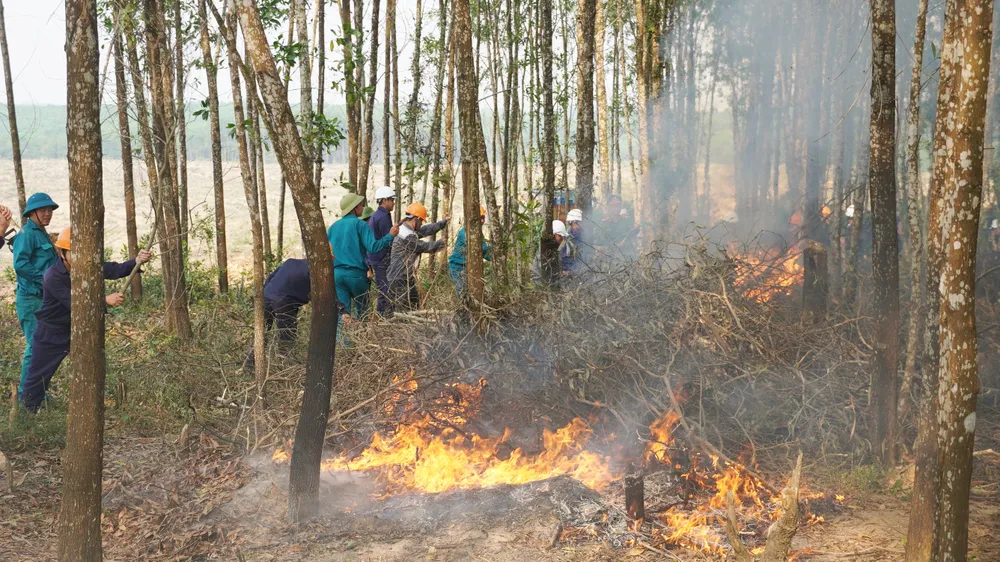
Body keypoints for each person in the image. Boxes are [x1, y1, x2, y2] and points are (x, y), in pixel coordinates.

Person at [22, 228, 151, 412]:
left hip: (77, 330)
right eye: (73, 252)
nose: (79, 256)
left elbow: (114, 269)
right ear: (62, 253)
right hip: (51, 332)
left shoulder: (87, 265)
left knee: (89, 369)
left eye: (81, 251)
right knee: (38, 377)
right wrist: (105, 300)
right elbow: (75, 303)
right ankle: (27, 414)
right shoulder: (52, 276)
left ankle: (88, 408)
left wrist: (137, 261)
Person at [13, 193, 60, 402]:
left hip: (43, 299)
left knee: (44, 348)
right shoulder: (27, 234)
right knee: (35, 347)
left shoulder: (41, 232)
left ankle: (38, 393)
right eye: (42, 210)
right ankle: (26, 397)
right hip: (31, 299)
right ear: (31, 213)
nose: (47, 213)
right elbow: (20, 264)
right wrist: (45, 280)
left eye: (49, 210)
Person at [329, 192, 398, 317]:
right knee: (362, 313)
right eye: (360, 205)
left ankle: (343, 337)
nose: (362, 207)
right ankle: (360, 335)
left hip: (337, 275)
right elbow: (373, 247)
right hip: (356, 276)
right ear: (354, 208)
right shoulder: (360, 225)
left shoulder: (333, 227)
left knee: (343, 315)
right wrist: (390, 235)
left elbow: (328, 252)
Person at [386, 203, 448, 313]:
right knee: (402, 313)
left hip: (407, 279)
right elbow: (423, 246)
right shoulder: (405, 235)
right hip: (398, 279)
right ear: (416, 219)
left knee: (414, 306)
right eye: (421, 221)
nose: (421, 224)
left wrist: (441, 224)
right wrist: (439, 243)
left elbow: (424, 230)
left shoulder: (407, 229)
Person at [448, 205, 492, 297]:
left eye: (484, 218)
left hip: (467, 268)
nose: (483, 221)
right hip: (457, 268)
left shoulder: (478, 233)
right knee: (463, 294)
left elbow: (483, 253)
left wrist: (494, 257)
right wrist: (493, 248)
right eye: (480, 218)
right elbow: (479, 247)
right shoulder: (465, 232)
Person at [366, 186, 397, 315]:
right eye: (391, 200)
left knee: (383, 289)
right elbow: (388, 239)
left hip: (376, 258)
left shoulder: (377, 215)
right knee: (385, 290)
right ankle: (383, 316)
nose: (393, 203)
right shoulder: (383, 217)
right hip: (381, 259)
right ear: (384, 200)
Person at [532, 220, 577, 286]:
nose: (562, 239)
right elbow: (545, 270)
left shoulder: (555, 247)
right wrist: (559, 274)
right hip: (539, 283)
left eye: (563, 237)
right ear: (553, 235)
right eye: (560, 236)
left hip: (550, 281)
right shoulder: (545, 249)